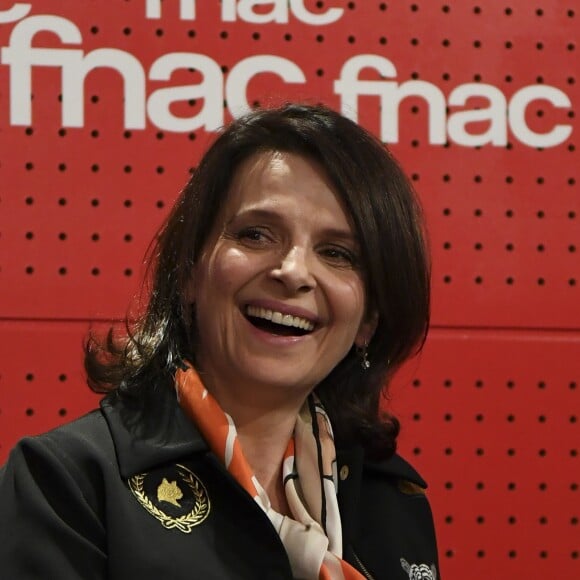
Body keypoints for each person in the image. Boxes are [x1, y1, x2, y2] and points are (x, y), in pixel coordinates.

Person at [0, 103, 439, 579]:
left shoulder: (392, 501)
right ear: (189, 271)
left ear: (368, 321)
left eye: (337, 253)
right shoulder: (71, 481)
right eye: (256, 235)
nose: (292, 272)